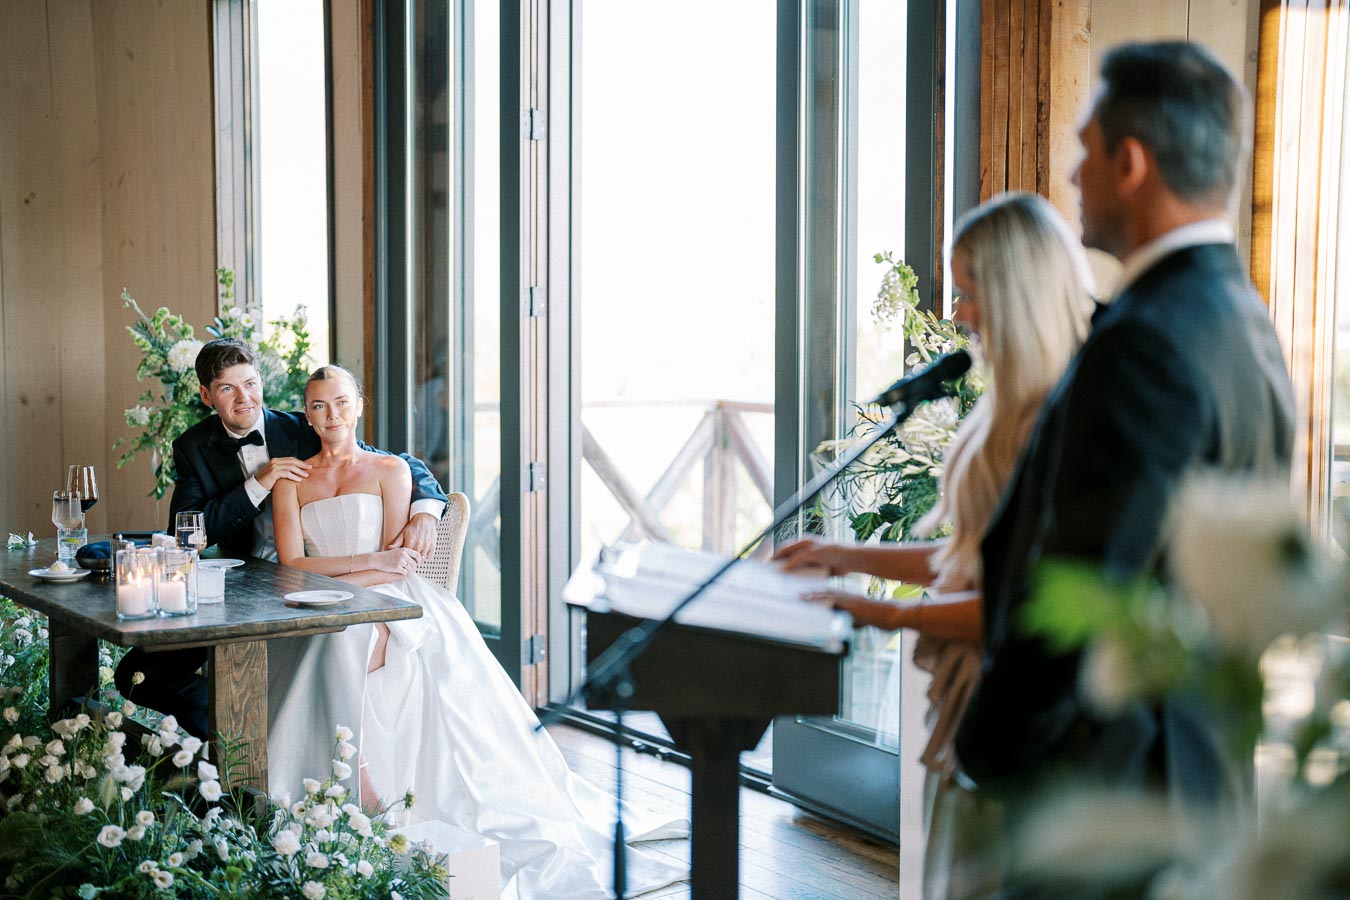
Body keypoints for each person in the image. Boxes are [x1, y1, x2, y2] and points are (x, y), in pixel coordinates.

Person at [951, 41, 1295, 891]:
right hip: (1200, 780)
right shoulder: (1244, 320)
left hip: (1114, 800)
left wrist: (987, 745)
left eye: (1084, 149)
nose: (1072, 175)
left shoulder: (1146, 343)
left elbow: (1083, 585)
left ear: (1130, 164)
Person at [774, 192, 1095, 897]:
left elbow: (1018, 600)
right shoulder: (1003, 402)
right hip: (962, 696)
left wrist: (890, 613)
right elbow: (970, 560)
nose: (958, 315)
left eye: (969, 292)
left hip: (1008, 700)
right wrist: (843, 556)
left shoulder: (1058, 422)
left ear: (1017, 291)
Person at [269, 364, 689, 899]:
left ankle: (364, 789)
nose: (332, 415)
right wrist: (368, 561)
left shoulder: (390, 471)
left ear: (359, 406)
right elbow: (293, 566)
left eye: (341, 402)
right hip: (324, 597)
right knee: (314, 640)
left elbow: (401, 568)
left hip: (391, 598)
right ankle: (334, 788)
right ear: (307, 414)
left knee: (343, 639)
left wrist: (364, 571)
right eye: (319, 405)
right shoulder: (291, 481)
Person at [114, 338, 448, 739]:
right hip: (244, 590)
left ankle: (254, 738)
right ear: (206, 396)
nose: (244, 399)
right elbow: (186, 532)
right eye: (227, 389)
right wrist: (257, 485)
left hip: (319, 584)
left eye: (250, 384)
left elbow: (395, 462)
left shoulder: (303, 426)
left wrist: (426, 509)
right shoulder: (194, 448)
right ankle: (238, 737)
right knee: (139, 674)